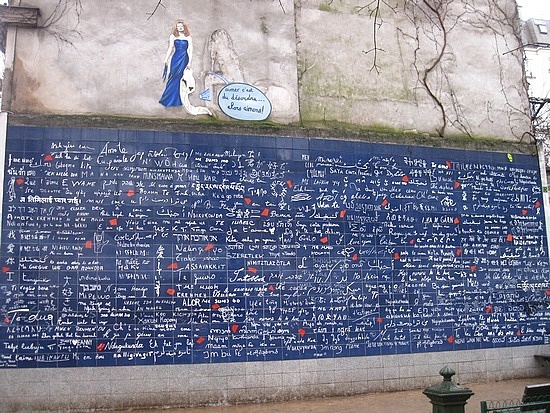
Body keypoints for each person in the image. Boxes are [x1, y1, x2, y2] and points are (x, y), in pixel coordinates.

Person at [159, 20, 212, 115]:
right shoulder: (173, 36)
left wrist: (190, 62)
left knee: (181, 78)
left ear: (184, 27)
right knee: (173, 77)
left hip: (184, 58)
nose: (180, 28)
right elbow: (170, 48)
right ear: (176, 27)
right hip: (175, 58)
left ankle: (179, 99)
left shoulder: (188, 37)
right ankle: (168, 99)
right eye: (178, 26)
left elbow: (190, 50)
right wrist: (166, 59)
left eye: (181, 26)